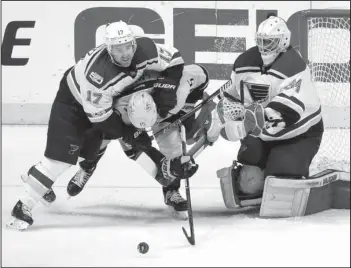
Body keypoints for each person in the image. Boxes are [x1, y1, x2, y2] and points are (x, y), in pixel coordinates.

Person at [6, 20, 199, 231]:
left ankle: (167, 180)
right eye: (118, 49)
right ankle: (24, 204)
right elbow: (105, 122)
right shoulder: (97, 76)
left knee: (107, 149)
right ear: (109, 50)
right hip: (75, 103)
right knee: (61, 159)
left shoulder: (145, 48)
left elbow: (175, 59)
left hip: (114, 101)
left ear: (134, 44)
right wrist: (132, 134)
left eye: (128, 47)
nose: (125, 53)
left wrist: (168, 89)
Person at [205, 15, 346, 217]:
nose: (264, 47)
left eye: (270, 42)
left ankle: (288, 170)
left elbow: (287, 111)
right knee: (248, 183)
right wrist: (220, 120)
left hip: (299, 134)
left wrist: (245, 126)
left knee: (281, 178)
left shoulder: (293, 65)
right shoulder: (244, 62)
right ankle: (267, 172)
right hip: (262, 135)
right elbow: (230, 95)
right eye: (261, 41)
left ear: (284, 42)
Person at [65, 63, 212, 215]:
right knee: (103, 136)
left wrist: (175, 166)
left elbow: (195, 83)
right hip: (129, 113)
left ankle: (171, 190)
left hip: (163, 105)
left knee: (173, 149)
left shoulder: (179, 86)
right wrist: (136, 138)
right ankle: (87, 167)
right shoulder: (120, 101)